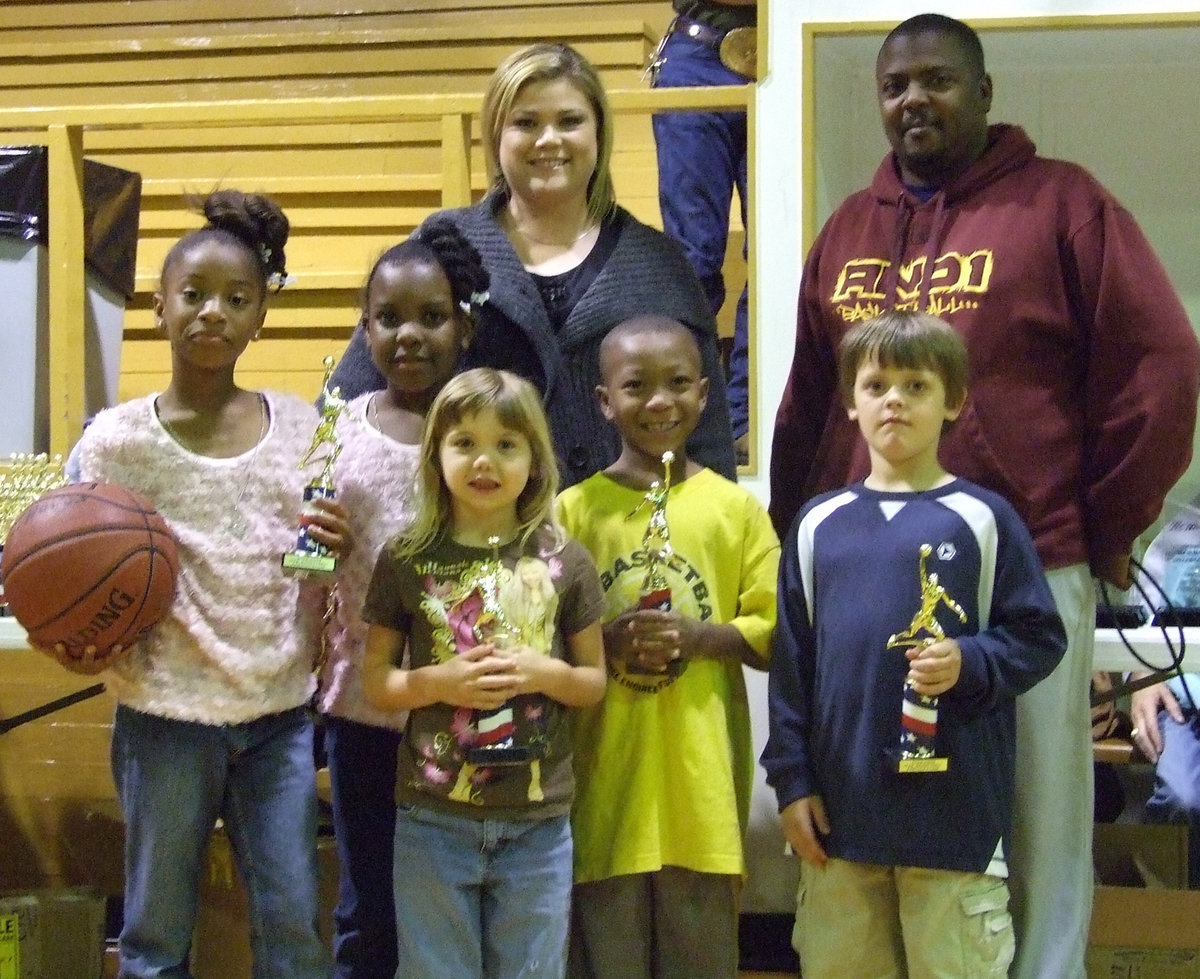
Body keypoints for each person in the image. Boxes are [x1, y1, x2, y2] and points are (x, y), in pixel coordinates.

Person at [767, 14, 1200, 977]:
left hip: (1027, 563)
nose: (913, 100)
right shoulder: (847, 230)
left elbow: (1163, 363)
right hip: (869, 578)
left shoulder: (1063, 207)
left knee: (1042, 811)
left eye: (937, 80)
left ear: (985, 92)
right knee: (878, 808)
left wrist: (1108, 516)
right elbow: (808, 400)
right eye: (894, 86)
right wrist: (794, 537)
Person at [55, 190, 347, 977]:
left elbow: (308, 563)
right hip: (164, 717)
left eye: (236, 298)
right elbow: (62, 563)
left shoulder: (299, 429)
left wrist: (329, 555)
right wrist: (78, 640)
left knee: (292, 929)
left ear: (260, 317)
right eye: (195, 294)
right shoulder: (114, 441)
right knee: (155, 933)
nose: (213, 311)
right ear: (158, 306)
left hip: (277, 716)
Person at [762, 309, 1067, 978]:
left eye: (916, 385)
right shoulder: (818, 525)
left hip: (953, 827)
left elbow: (1040, 636)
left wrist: (970, 660)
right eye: (876, 385)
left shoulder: (986, 519)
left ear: (953, 400)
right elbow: (793, 667)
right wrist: (791, 781)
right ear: (849, 401)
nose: (894, 399)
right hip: (841, 828)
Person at [327, 41, 737, 489]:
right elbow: (348, 400)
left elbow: (708, 436)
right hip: (472, 532)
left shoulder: (660, 264)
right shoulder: (443, 246)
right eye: (526, 123)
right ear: (496, 137)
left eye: (569, 121)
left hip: (626, 542)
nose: (548, 140)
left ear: (598, 133)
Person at [360, 367, 607, 979]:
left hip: (538, 825)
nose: (484, 461)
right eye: (464, 442)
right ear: (436, 455)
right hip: (433, 818)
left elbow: (592, 682)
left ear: (534, 458)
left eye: (506, 444)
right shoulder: (405, 557)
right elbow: (375, 682)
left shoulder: (565, 560)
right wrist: (438, 684)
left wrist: (541, 672)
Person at [557, 315, 779, 979]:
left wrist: (702, 637)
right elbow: (536, 634)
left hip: (700, 798)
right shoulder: (572, 512)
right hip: (604, 790)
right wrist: (604, 640)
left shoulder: (733, 509)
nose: (660, 401)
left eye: (678, 383)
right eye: (637, 385)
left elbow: (776, 632)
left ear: (706, 394)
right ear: (604, 400)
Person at [314, 218, 488, 979]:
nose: (408, 334)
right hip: (364, 716)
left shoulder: (492, 432)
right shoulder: (338, 435)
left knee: (458, 905)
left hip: (470, 716)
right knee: (370, 906)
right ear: (365, 329)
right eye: (388, 318)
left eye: (431, 316)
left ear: (465, 325)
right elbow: (306, 570)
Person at [649, 1, 756, 460]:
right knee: (694, 258)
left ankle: (747, 414)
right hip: (699, 54)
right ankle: (694, 420)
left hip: (786, 47)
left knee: (778, 248)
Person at [1129, 491, 1200, 888]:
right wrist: (1140, 677)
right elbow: (1142, 620)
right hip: (1182, 702)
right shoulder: (1182, 528)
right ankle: (1171, 933)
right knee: (1179, 799)